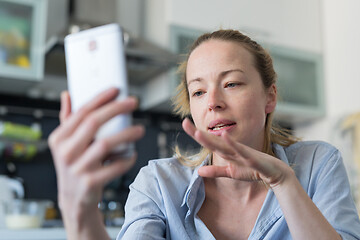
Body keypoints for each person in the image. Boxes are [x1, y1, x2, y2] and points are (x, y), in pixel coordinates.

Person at [49, 29, 360, 240]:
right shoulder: (157, 182)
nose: (213, 102)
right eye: (198, 91)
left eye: (232, 83)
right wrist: (79, 210)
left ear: (270, 97)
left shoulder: (318, 164)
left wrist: (284, 182)